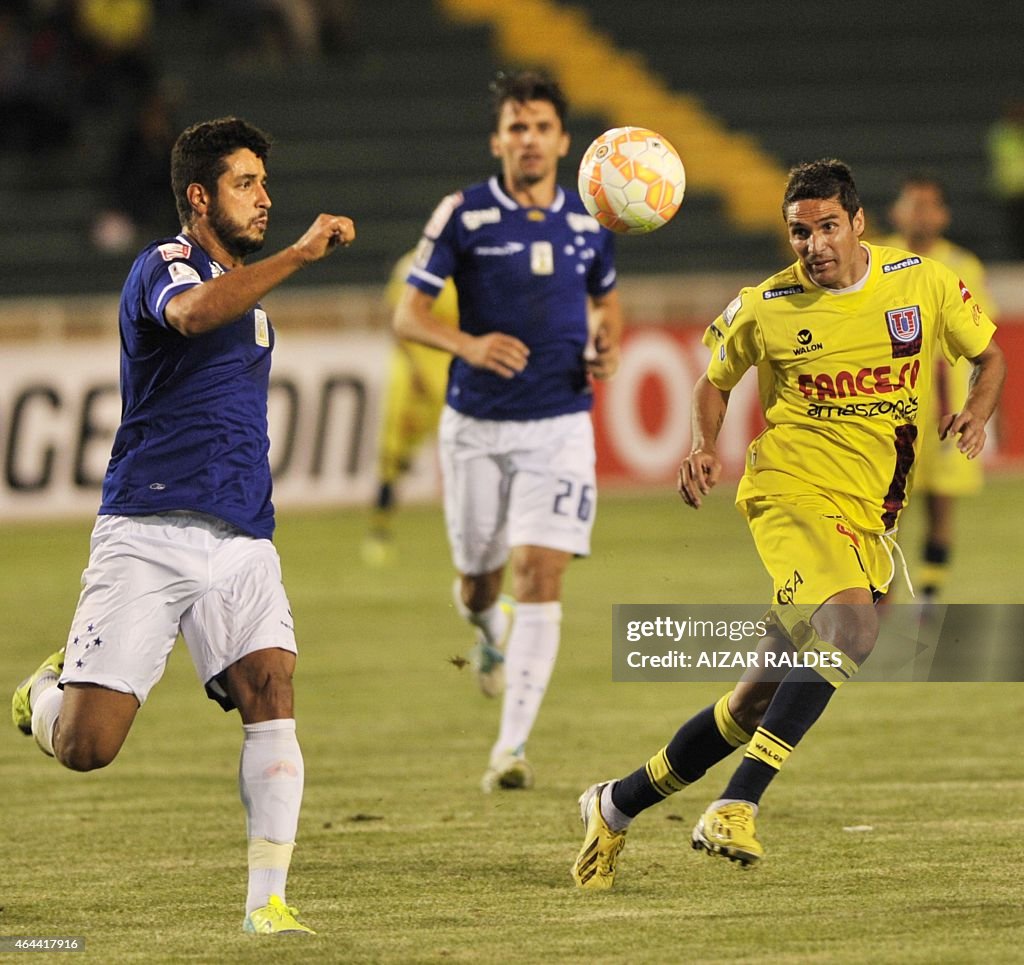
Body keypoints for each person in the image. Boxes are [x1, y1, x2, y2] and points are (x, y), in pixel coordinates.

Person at [572, 158, 1004, 888]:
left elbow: (989, 357)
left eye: (827, 227)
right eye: (799, 232)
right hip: (790, 494)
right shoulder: (765, 304)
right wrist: (704, 446)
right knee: (856, 628)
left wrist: (976, 412)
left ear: (859, 222)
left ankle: (615, 804)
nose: (813, 245)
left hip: (869, 517)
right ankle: (736, 804)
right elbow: (714, 384)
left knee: (756, 695)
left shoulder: (922, 284)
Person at [10, 116, 355, 934]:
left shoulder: (253, 294)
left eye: (266, 183)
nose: (265, 198)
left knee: (271, 688)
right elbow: (195, 316)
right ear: (199, 198)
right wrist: (301, 255)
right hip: (148, 528)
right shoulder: (165, 264)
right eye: (246, 183)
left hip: (242, 536)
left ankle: (266, 905)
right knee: (88, 746)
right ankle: (43, 695)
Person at [393, 69, 622, 792]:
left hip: (559, 425)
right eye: (515, 127)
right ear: (498, 140)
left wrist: (605, 344)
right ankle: (488, 633)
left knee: (540, 573)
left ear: (562, 140)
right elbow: (407, 315)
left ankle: (511, 748)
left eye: (541, 127)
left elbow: (607, 305)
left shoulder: (592, 221)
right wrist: (469, 343)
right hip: (477, 427)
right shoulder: (463, 213)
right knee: (479, 584)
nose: (528, 139)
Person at [884, 173, 1000, 600]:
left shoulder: (964, 266)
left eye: (929, 204)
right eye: (912, 203)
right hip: (890, 410)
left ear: (944, 214)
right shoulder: (877, 259)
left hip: (945, 408)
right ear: (896, 211)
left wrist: (980, 409)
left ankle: (928, 602)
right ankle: (879, 602)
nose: (921, 213)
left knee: (940, 508)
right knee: (884, 514)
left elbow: (982, 343)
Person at [362, 249, 457, 567]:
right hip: (414, 368)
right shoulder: (413, 263)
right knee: (393, 455)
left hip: (453, 367)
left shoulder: (472, 259)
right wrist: (413, 364)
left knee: (469, 449)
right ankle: (380, 530)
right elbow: (396, 316)